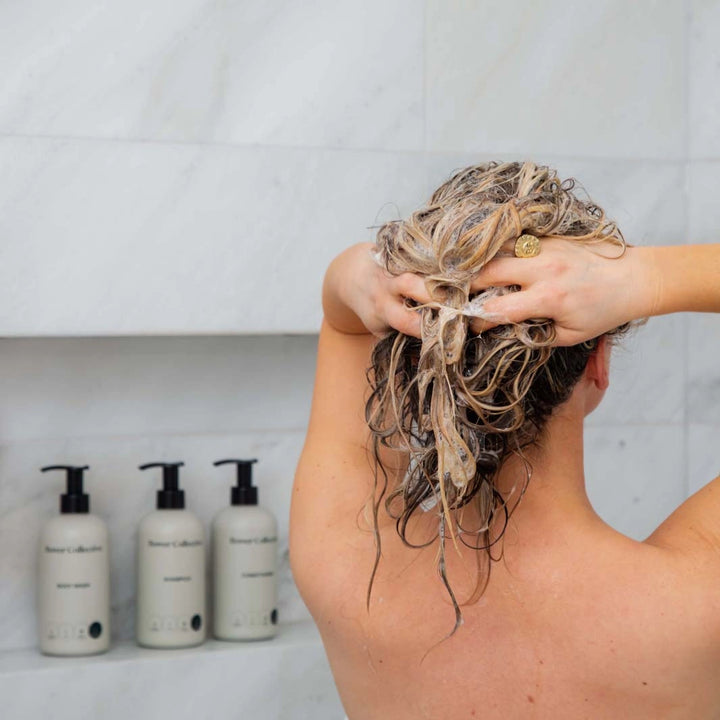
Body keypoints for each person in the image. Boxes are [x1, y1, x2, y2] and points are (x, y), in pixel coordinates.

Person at [289, 161, 720, 719]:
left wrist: (360, 270)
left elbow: (344, 320)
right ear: (599, 363)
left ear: (421, 354)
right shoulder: (694, 601)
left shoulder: (346, 564)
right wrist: (645, 277)